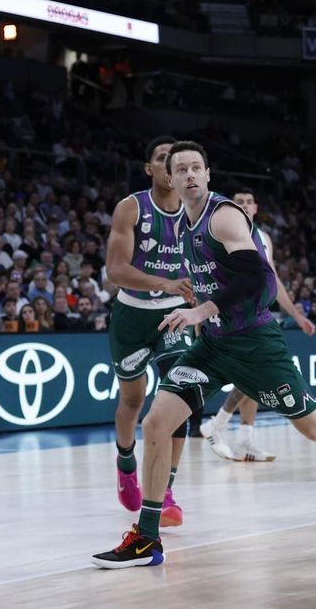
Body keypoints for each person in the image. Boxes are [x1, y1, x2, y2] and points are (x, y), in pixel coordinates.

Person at [92, 142, 316, 570]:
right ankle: (147, 538)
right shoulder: (181, 224)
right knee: (157, 421)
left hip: (255, 344)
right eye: (182, 170)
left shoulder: (224, 215)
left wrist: (203, 308)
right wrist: (203, 309)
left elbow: (259, 279)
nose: (191, 175)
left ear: (208, 175)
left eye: (198, 167)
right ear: (170, 179)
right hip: (213, 345)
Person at [100, 136, 196, 526]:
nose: (172, 166)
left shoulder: (199, 211)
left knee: (183, 395)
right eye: (162, 159)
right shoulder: (131, 208)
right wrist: (167, 281)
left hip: (172, 316)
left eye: (177, 161)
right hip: (131, 315)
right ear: (151, 169)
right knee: (133, 401)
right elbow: (115, 272)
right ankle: (126, 462)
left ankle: (166, 489)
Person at [202, 189, 316, 463]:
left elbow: (273, 280)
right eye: (237, 202)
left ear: (255, 208)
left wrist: (297, 316)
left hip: (257, 314)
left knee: (252, 379)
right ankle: (216, 425)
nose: (243, 205)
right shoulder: (219, 229)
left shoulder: (263, 238)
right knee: (252, 377)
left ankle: (243, 439)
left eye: (248, 202)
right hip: (228, 315)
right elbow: (205, 275)